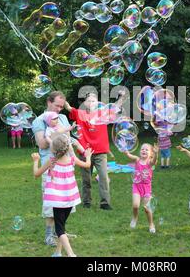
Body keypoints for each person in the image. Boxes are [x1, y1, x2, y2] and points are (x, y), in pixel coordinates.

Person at [31, 134, 93, 257]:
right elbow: (87, 165)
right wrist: (88, 156)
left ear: (53, 149)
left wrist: (36, 161)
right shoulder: (72, 159)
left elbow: (36, 174)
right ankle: (58, 253)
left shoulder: (51, 161)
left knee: (59, 230)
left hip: (58, 201)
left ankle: (71, 254)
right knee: (62, 226)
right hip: (70, 199)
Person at [64, 90, 126, 210]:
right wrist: (61, 98)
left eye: (94, 100)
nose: (91, 102)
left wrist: (122, 96)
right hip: (85, 152)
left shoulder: (103, 114)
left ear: (97, 103)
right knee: (86, 179)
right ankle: (86, 201)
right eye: (89, 100)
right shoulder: (79, 113)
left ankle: (105, 203)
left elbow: (116, 106)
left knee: (103, 177)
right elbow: (68, 107)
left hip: (100, 152)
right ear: (85, 103)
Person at [32, 91, 73, 246]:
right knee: (51, 203)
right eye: (57, 105)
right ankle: (49, 235)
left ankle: (59, 232)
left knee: (65, 202)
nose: (59, 110)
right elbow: (42, 144)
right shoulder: (39, 121)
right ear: (49, 102)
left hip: (65, 165)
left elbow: (68, 139)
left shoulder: (62, 117)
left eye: (62, 107)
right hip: (50, 166)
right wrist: (60, 134)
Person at [123, 143, 159, 233]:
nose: (144, 150)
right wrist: (127, 153)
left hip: (146, 187)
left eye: (147, 150)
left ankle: (151, 224)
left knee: (147, 208)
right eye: (142, 149)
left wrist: (156, 153)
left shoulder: (150, 163)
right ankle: (135, 218)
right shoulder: (137, 160)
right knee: (135, 205)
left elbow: (154, 161)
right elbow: (130, 156)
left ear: (151, 154)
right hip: (136, 185)